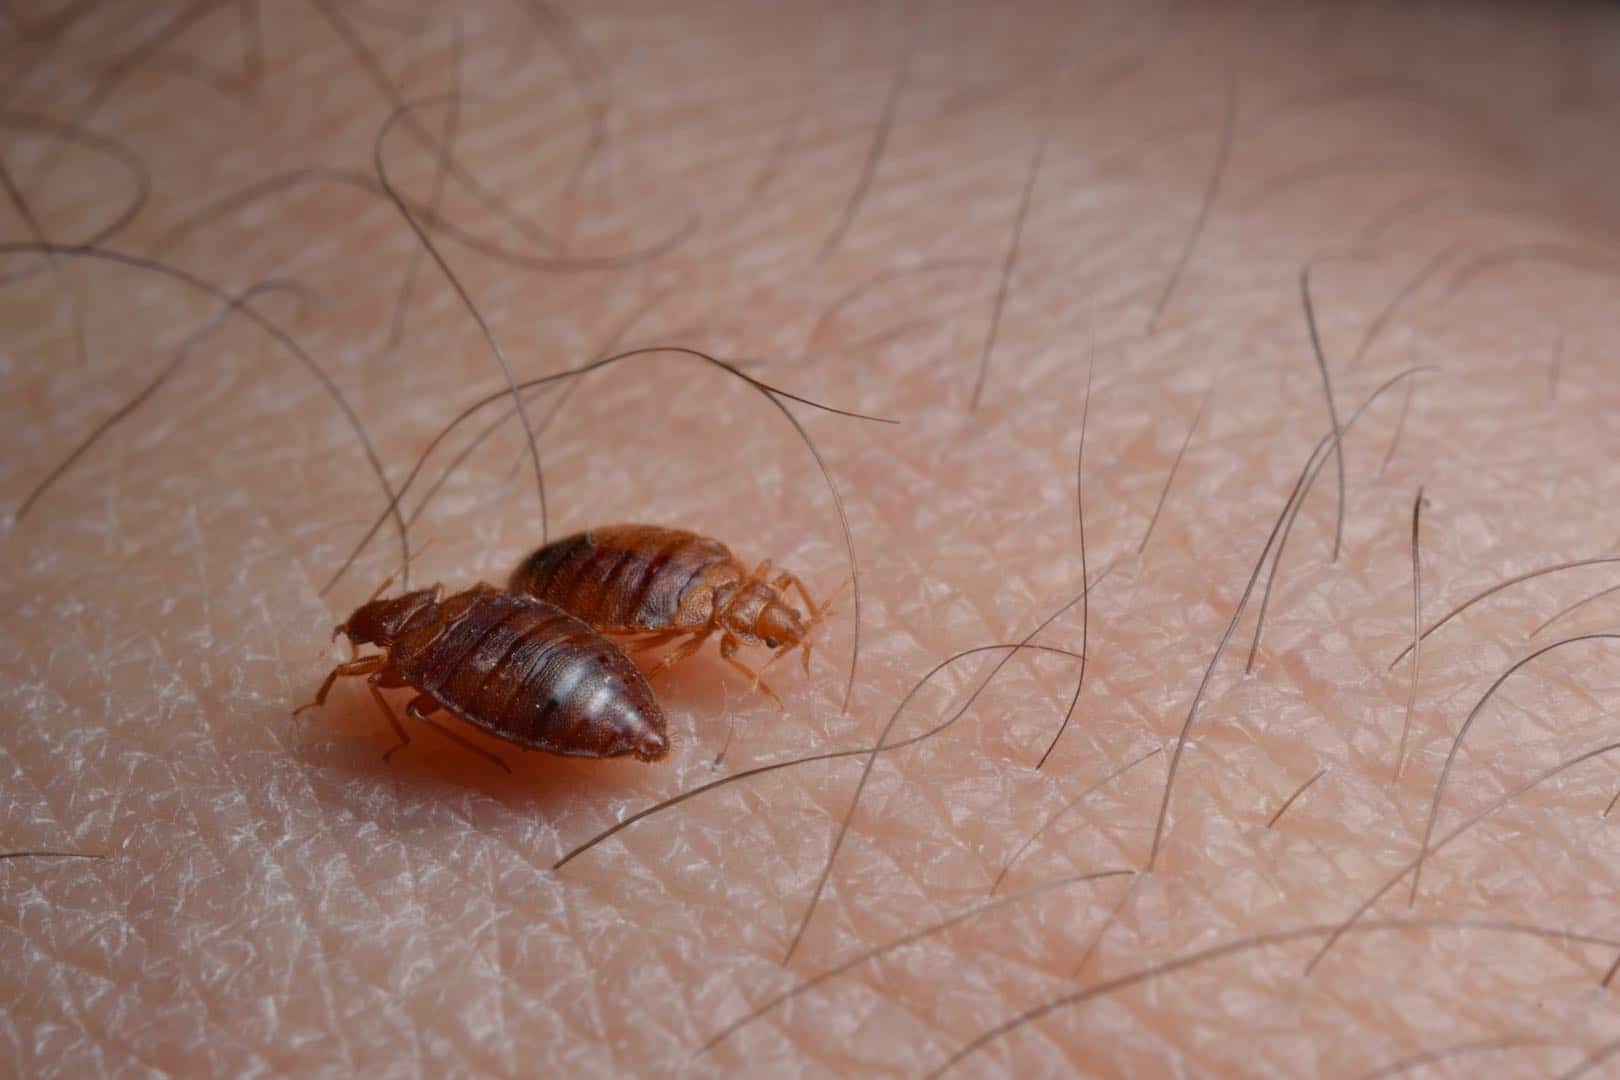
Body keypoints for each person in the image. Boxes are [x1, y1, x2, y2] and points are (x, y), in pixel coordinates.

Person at [5, 2, 1618, 1074]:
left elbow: (565, 631)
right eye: (377, 642)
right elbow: (524, 646)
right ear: (398, 634)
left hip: (583, 642)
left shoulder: (481, 645)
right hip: (573, 643)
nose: (376, 658)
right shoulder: (436, 658)